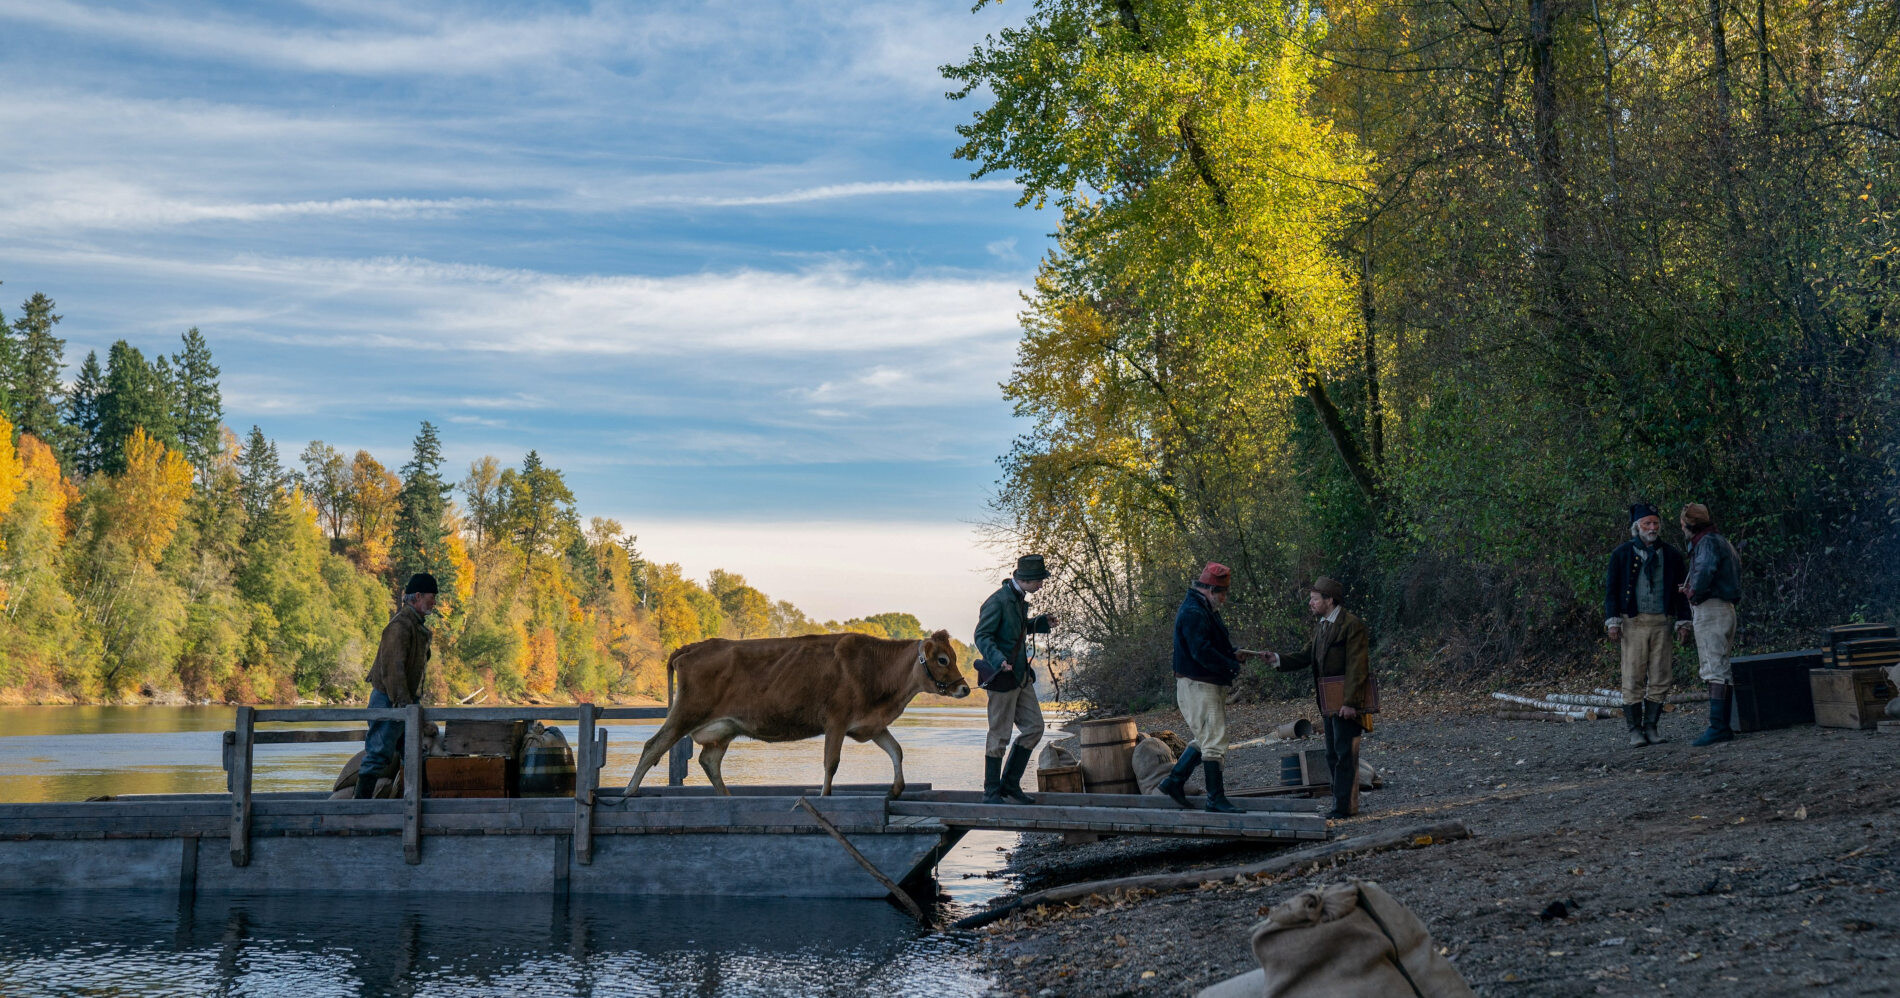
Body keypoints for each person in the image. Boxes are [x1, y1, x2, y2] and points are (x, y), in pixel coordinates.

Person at [1156, 562, 1261, 814]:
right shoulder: (1194, 611)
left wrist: (1232, 654)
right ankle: (1215, 799)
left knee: (1206, 738)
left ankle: (1174, 781)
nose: (1224, 599)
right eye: (1222, 593)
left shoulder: (1201, 608)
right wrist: (1231, 665)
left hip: (1201, 683)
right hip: (1198, 684)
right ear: (1211, 590)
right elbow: (1200, 652)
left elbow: (1208, 645)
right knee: (1214, 740)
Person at [1267, 577, 1372, 820]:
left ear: (1329, 600)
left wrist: (1350, 703)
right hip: (1328, 702)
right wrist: (1276, 659)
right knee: (1333, 754)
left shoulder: (1351, 625)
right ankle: (1341, 803)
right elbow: (1306, 655)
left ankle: (1345, 807)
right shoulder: (1323, 625)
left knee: (1345, 753)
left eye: (1315, 599)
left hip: (1346, 702)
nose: (1310, 603)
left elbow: (1358, 666)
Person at [1603, 503, 1692, 746]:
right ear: (1637, 527)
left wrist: (1683, 622)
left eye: (1655, 523)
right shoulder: (1621, 554)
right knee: (1633, 676)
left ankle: (1651, 727)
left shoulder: (1671, 555)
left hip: (1661, 622)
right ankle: (1634, 730)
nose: (1652, 528)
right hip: (1633, 622)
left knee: (1661, 675)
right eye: (1647, 524)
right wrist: (1613, 622)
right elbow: (1611, 591)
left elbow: (1680, 592)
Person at [973, 555, 1057, 805]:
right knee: (999, 735)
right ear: (1027, 580)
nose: (1042, 584)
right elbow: (982, 635)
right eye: (1040, 580)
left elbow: (1016, 630)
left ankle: (1009, 786)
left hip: (1021, 677)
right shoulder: (997, 601)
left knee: (1035, 728)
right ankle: (991, 792)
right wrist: (998, 660)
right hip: (1002, 677)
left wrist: (1040, 623)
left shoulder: (1018, 599)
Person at [356, 573, 437, 798]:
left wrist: (413, 709)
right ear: (418, 596)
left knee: (413, 753)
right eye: (432, 597)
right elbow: (394, 671)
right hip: (390, 701)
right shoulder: (400, 626)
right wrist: (406, 708)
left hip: (404, 703)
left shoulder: (416, 626)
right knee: (377, 755)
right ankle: (356, 811)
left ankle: (420, 803)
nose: (435, 602)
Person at [1679, 504, 1743, 746]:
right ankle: (1720, 726)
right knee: (1719, 665)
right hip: (1724, 608)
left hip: (1712, 609)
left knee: (1714, 666)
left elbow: (1705, 570)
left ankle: (1718, 727)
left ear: (1689, 524)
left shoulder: (1706, 543)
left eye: (1683, 524)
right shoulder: (1719, 540)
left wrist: (1693, 593)